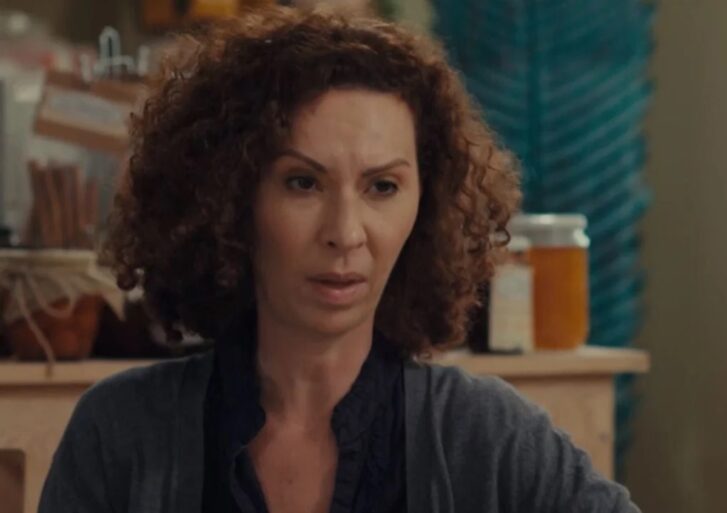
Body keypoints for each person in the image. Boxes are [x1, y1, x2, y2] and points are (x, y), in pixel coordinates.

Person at [38, 6, 640, 513]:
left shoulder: (487, 438)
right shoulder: (121, 435)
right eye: (303, 183)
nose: (345, 233)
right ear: (230, 200)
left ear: (427, 207)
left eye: (383, 187)